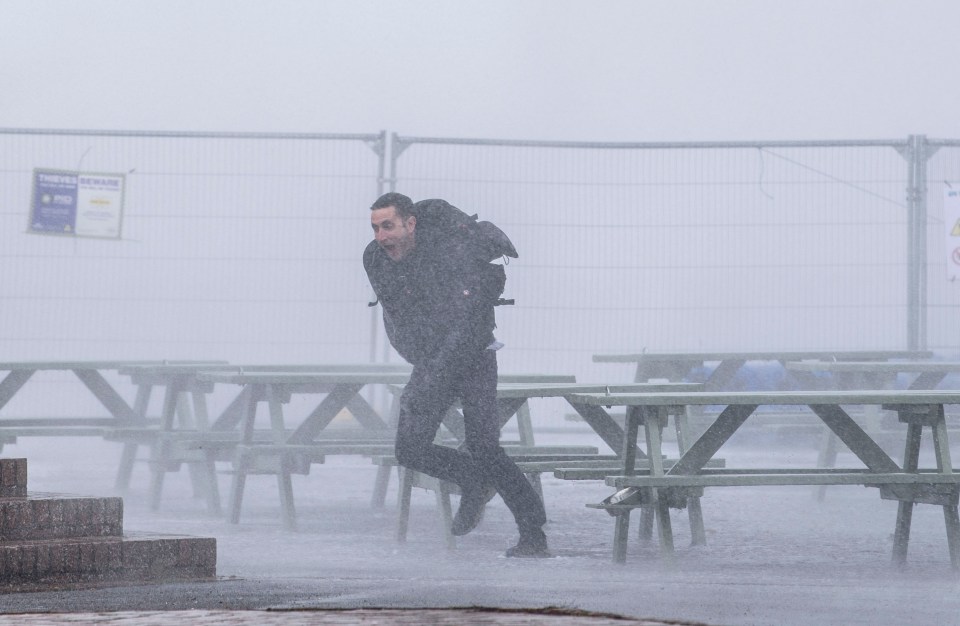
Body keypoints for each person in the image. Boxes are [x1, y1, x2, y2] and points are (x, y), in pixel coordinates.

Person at [363, 192, 550, 557]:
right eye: (375, 228)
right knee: (409, 448)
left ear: (411, 223)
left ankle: (533, 532)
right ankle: (471, 479)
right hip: (433, 357)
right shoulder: (376, 259)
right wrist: (425, 370)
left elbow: (467, 321)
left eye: (388, 226)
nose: (381, 236)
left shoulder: (450, 251)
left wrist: (431, 374)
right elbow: (402, 316)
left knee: (484, 446)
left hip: (474, 351)